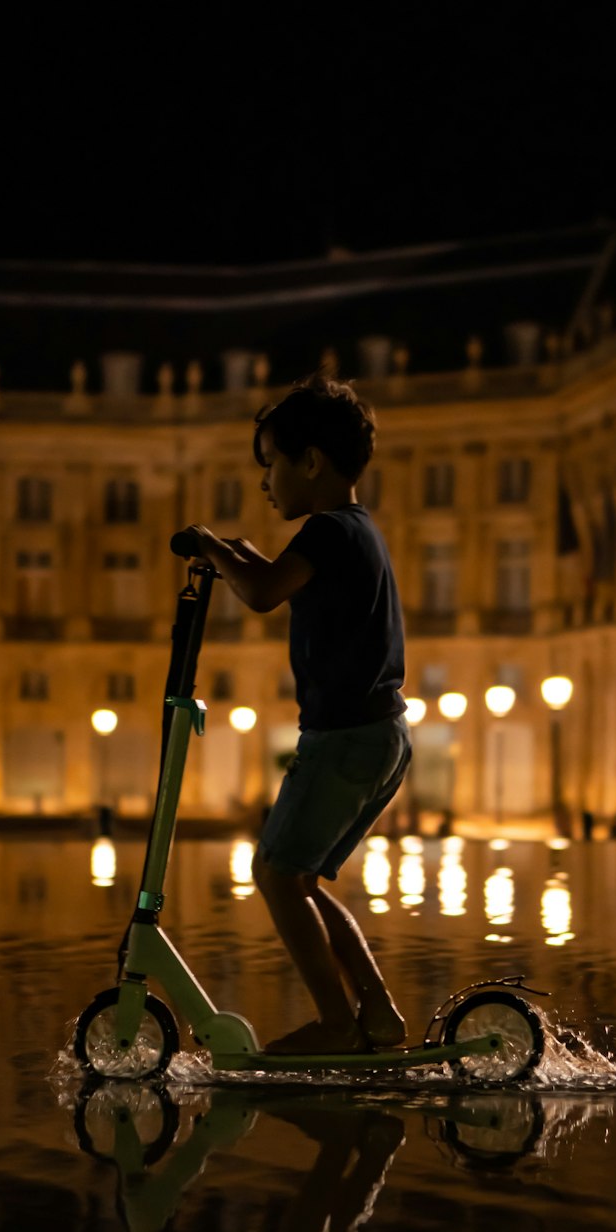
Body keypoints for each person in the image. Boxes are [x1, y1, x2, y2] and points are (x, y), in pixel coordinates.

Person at [182, 373, 410, 1054]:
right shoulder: (354, 530)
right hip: (381, 735)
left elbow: (260, 591)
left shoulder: (326, 531)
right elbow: (276, 572)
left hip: (341, 740)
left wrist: (212, 546)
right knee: (302, 877)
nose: (264, 482)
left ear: (310, 461)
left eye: (271, 464)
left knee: (277, 875)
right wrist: (241, 553)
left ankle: (338, 1026)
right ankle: (379, 1015)